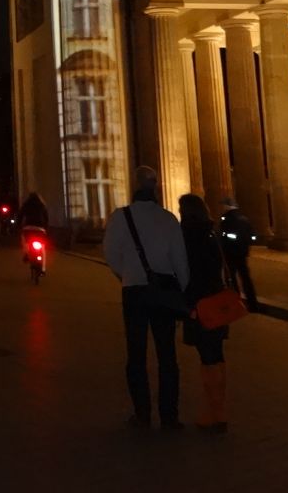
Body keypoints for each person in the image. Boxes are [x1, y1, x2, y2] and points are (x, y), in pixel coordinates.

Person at [103, 165, 190, 431]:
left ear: (134, 186)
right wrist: (180, 294)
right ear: (156, 188)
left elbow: (110, 254)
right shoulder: (168, 219)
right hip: (164, 291)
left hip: (135, 292)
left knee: (136, 354)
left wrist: (127, 275)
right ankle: (169, 415)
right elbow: (181, 263)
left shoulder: (120, 217)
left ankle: (142, 414)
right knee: (167, 355)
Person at [178, 193, 231, 434]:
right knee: (217, 355)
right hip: (218, 300)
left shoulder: (188, 237)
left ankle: (213, 413)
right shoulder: (212, 234)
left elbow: (187, 273)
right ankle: (219, 410)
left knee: (207, 357)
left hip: (200, 304)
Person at [218, 197, 258, 312]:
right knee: (246, 278)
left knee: (231, 279)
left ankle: (235, 303)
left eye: (223, 205)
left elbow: (225, 236)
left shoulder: (227, 220)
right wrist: (246, 245)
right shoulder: (244, 219)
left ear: (227, 206)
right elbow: (253, 236)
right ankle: (253, 304)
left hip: (230, 253)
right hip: (243, 253)